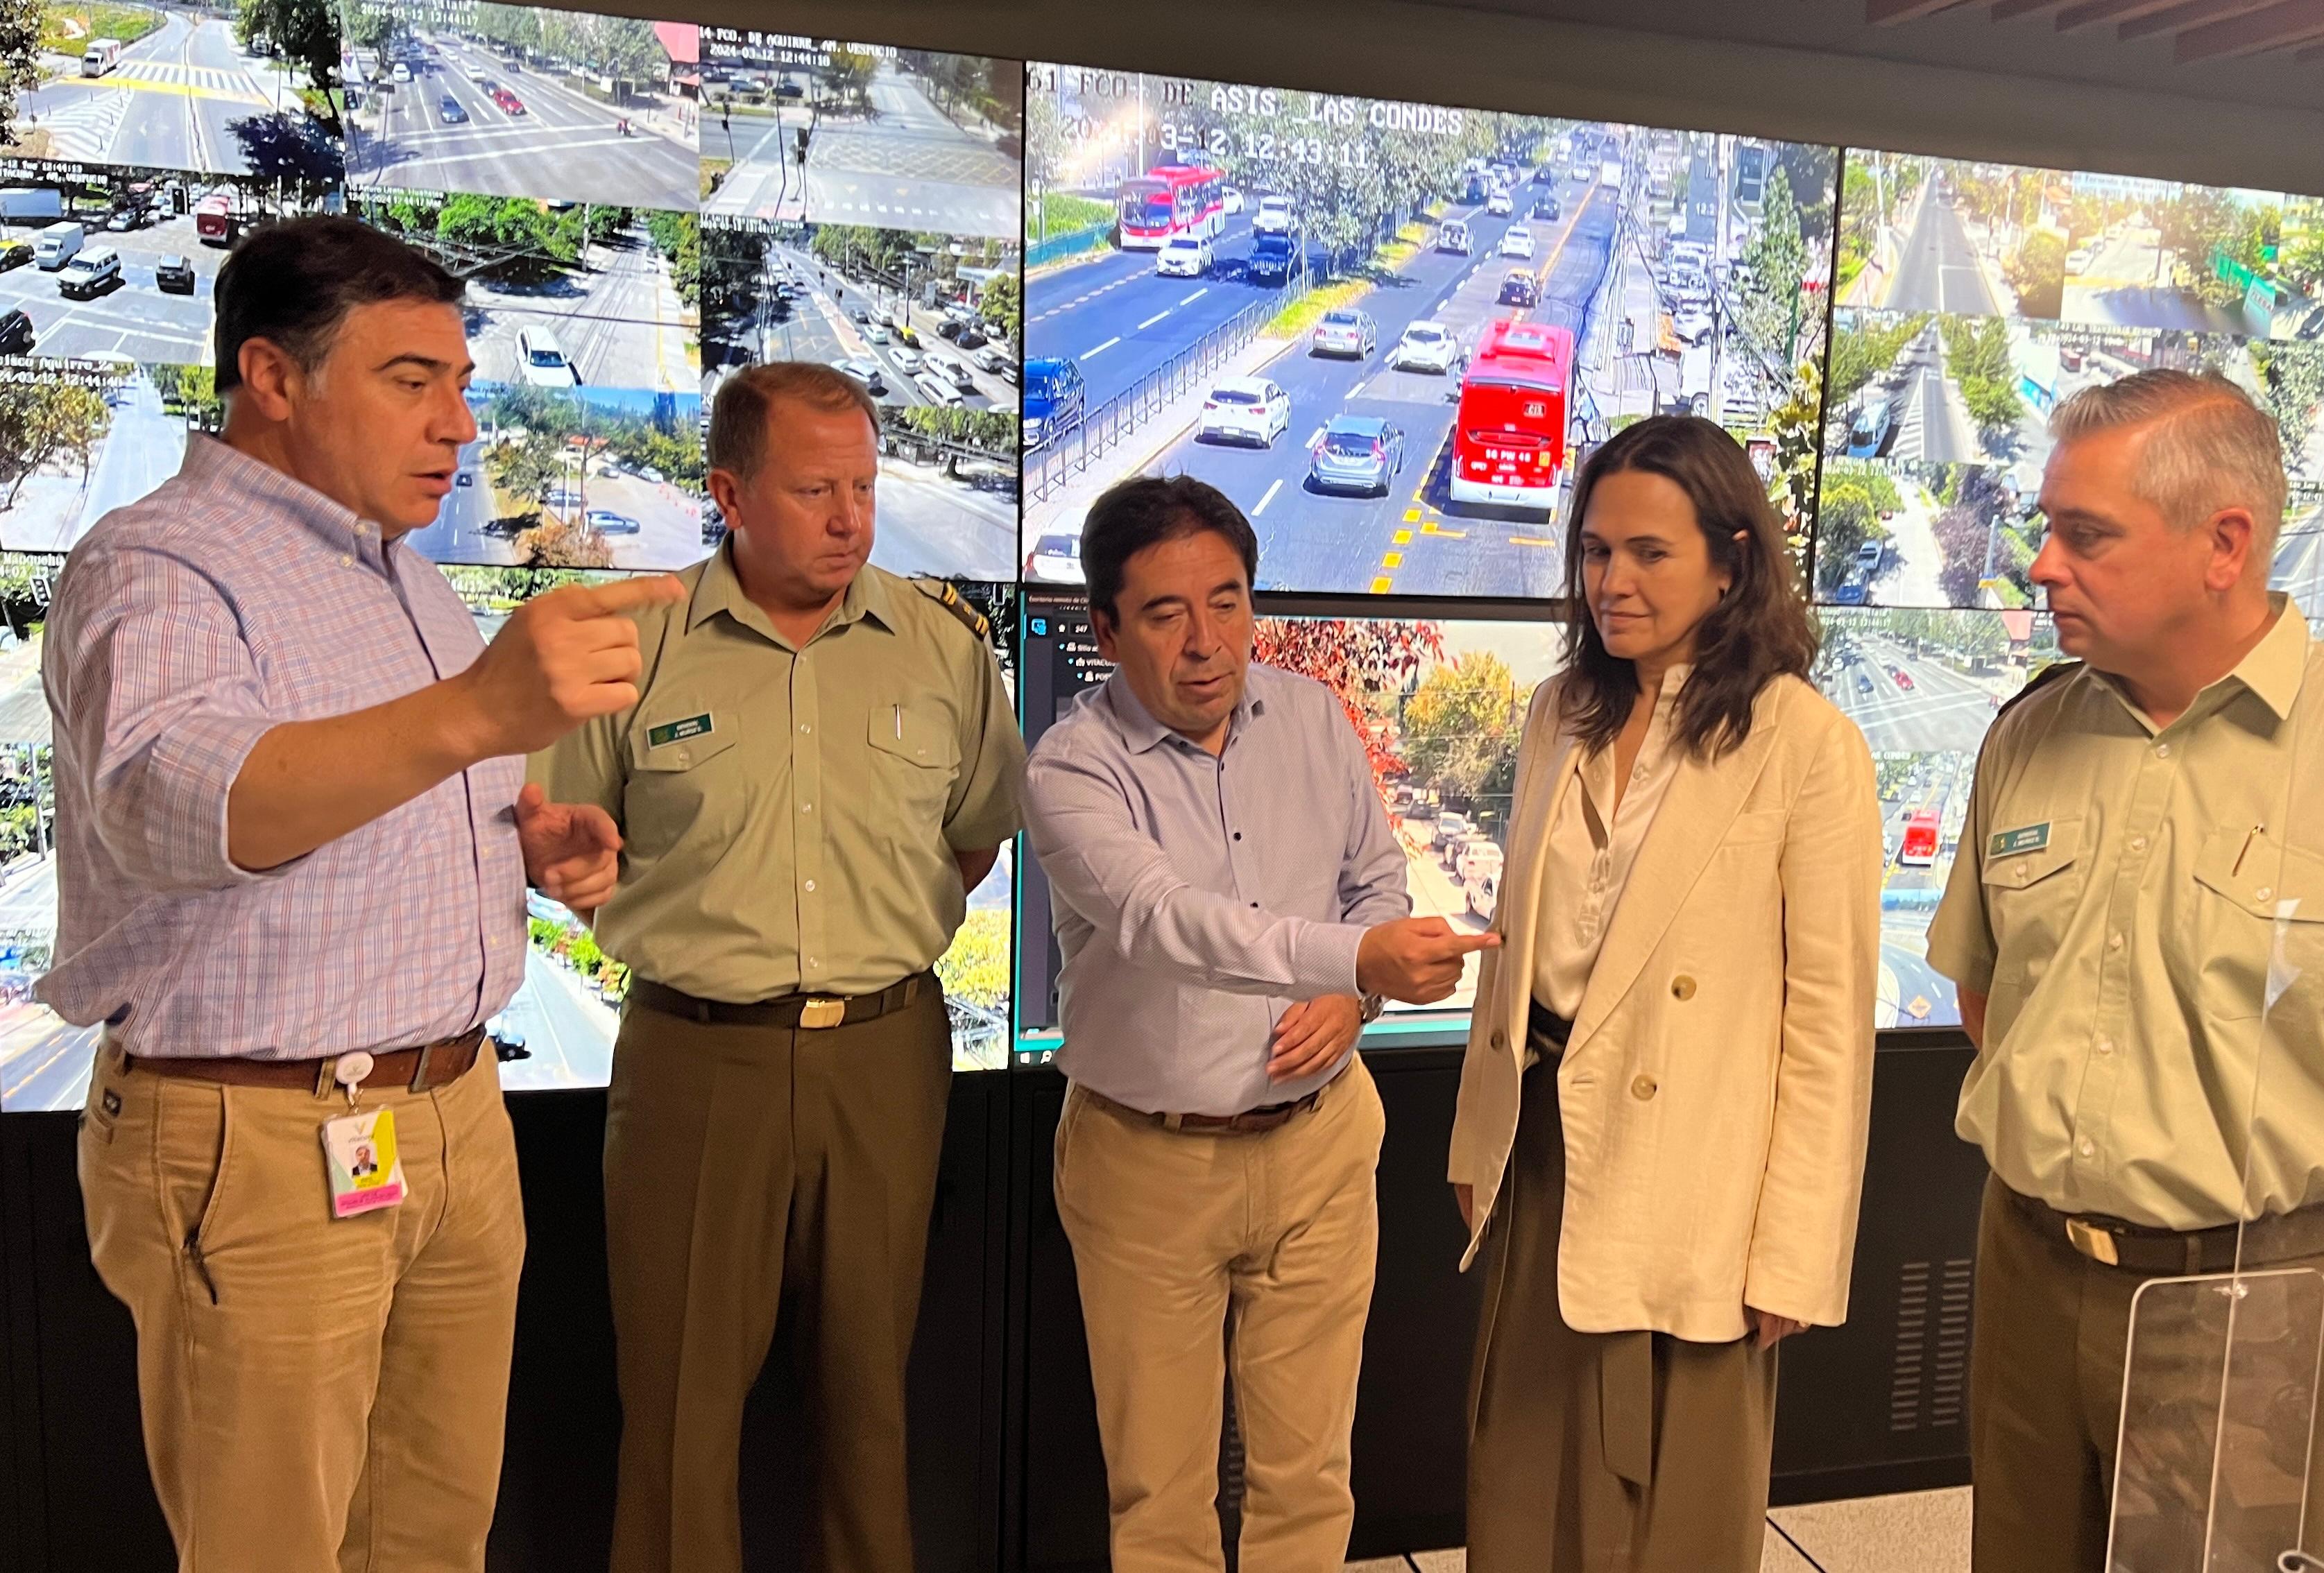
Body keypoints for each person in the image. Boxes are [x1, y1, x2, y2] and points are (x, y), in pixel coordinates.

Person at [50, 214, 682, 1570]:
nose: (459, 422)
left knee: (433, 1540)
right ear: (273, 377)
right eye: (412, 381)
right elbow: (176, 802)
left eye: (459, 382)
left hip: (451, 1119)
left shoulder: (409, 580)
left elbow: (387, 793)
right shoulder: (159, 561)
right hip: (266, 1135)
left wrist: (526, 846)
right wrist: (478, 713)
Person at [1928, 370, 2324, 1572]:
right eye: (2046, 528)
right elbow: (1991, 999)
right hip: (2030, 1274)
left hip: (2257, 1308)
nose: (2042, 566)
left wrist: (2315, 1257)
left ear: (2225, 544)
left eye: (2086, 535)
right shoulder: (2029, 734)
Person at [531, 361, 1023, 1573]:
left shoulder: (941, 647)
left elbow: (971, 839)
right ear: (729, 494)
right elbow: (566, 838)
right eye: (816, 491)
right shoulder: (637, 649)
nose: (852, 519)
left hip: (884, 1056)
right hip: (697, 1061)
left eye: (864, 487)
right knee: (680, 1411)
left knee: (870, 1403)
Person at [1022, 474, 1498, 1571]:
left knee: (1309, 1479)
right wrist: (1357, 960)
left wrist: (1353, 995)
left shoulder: (1315, 719)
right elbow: (1167, 923)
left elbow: (1375, 880)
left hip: (1321, 1146)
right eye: (1165, 614)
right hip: (1148, 1165)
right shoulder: (1070, 768)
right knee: (1162, 1499)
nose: (1206, 643)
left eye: (1227, 602)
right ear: (1107, 630)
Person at [1446, 415, 1881, 1572]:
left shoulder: (1804, 743)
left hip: (1697, 1174)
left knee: (1673, 1514)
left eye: (1649, 553)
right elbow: (1519, 954)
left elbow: (1829, 1026)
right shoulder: (1560, 711)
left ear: (1731, 565)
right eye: (1595, 551)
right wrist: (1478, 1136)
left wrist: (1794, 1251)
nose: (1612, 582)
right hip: (1543, 1146)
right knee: (1522, 1487)